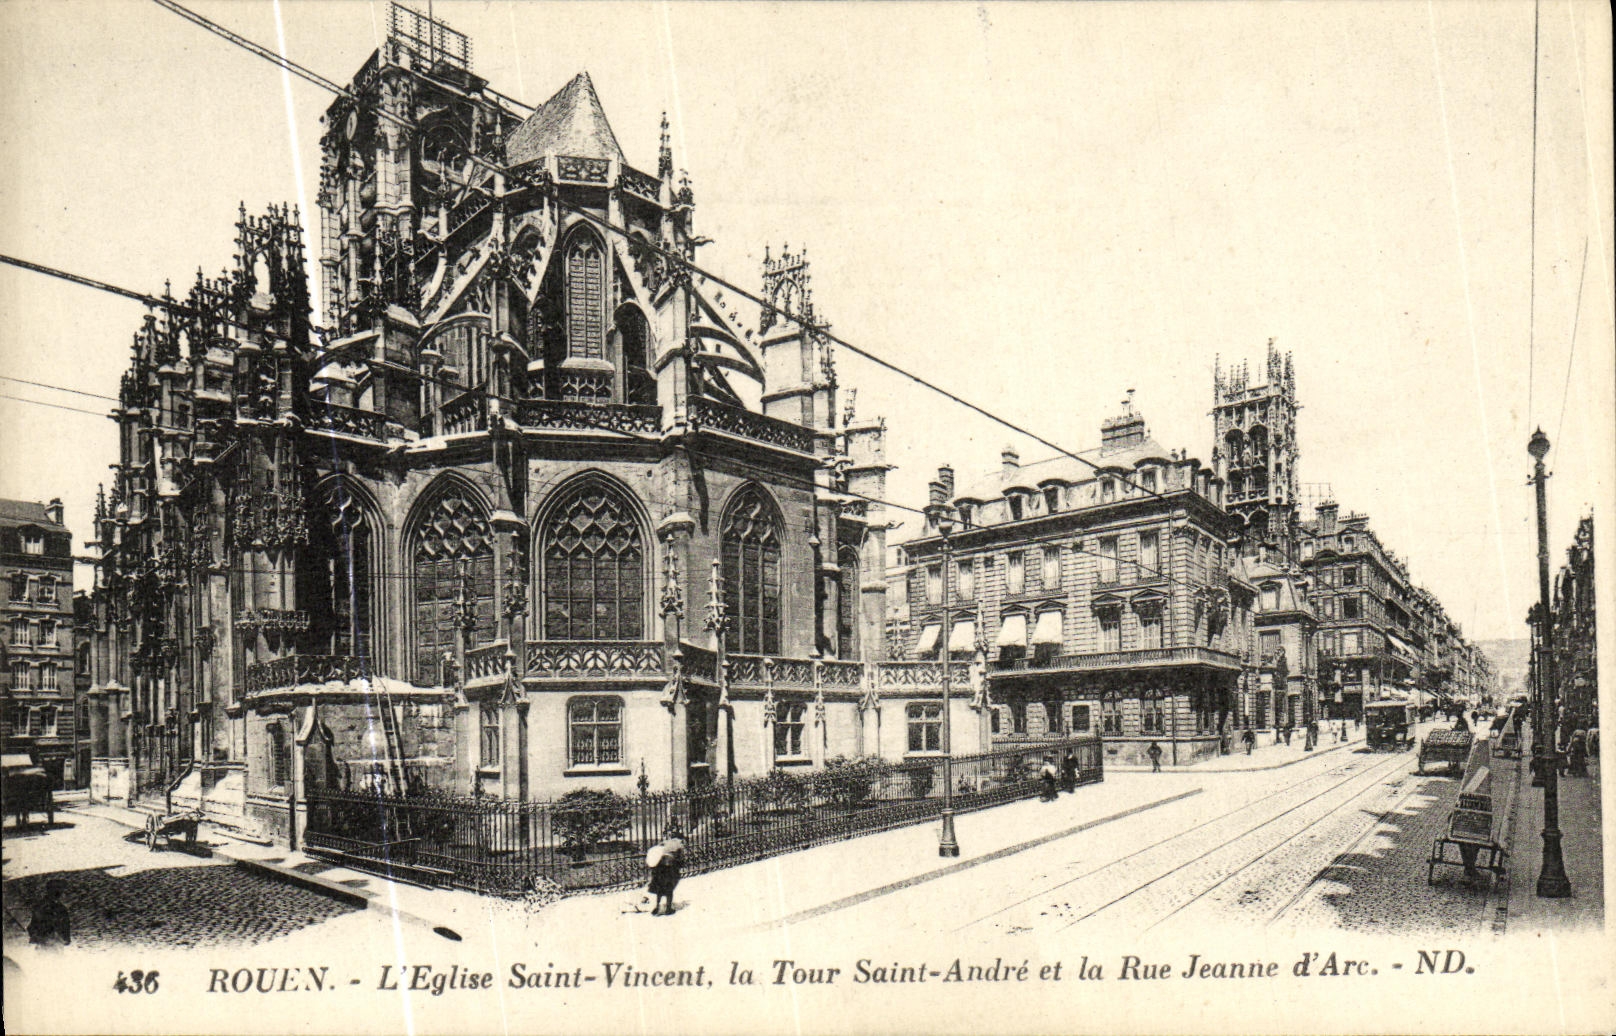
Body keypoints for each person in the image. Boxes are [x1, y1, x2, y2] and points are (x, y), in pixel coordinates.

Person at [646, 824, 685, 917]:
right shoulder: (680, 844)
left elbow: (656, 851)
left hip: (660, 867)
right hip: (670, 867)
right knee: (669, 888)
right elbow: (681, 858)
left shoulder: (664, 842)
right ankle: (668, 908)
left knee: (659, 887)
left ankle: (657, 907)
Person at [27, 879, 71, 947]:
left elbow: (65, 925)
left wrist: (66, 937)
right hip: (45, 942)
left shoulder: (62, 908)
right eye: (55, 889)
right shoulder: (41, 906)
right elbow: (33, 925)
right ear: (49, 890)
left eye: (60, 889)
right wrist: (35, 935)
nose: (59, 892)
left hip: (57, 943)